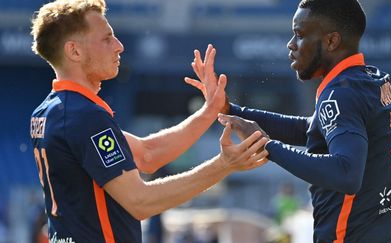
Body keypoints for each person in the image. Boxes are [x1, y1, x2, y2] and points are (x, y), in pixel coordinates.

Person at [29, 0, 269, 242]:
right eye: (107, 39)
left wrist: (209, 112)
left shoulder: (51, 111)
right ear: (75, 51)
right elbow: (140, 202)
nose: (119, 46)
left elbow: (146, 155)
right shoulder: (85, 116)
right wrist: (224, 165)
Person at [185, 0, 391, 242]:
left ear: (331, 41)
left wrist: (267, 146)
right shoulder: (374, 80)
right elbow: (314, 130)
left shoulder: (341, 93)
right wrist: (232, 110)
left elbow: (346, 174)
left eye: (299, 34)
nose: (291, 44)